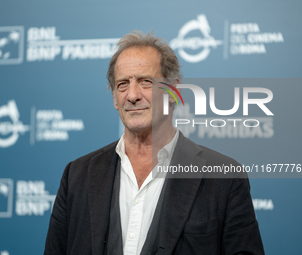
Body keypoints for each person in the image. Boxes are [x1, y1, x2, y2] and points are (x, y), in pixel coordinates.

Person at [44, 31, 264, 255]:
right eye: (122, 84)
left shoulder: (223, 177)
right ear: (114, 98)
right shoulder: (77, 175)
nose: (132, 95)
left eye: (145, 82)